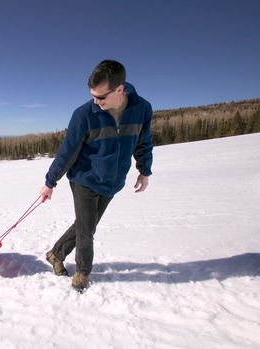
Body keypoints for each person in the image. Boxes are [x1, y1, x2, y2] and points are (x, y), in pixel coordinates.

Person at [40, 59, 154, 292]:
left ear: (120, 89)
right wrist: (50, 181)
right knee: (86, 231)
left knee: (85, 225)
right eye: (92, 95)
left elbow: (144, 142)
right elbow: (67, 151)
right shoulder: (84, 114)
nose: (96, 102)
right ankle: (82, 271)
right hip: (84, 179)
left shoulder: (141, 109)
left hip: (112, 182)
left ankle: (55, 253)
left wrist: (144, 170)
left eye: (101, 97)